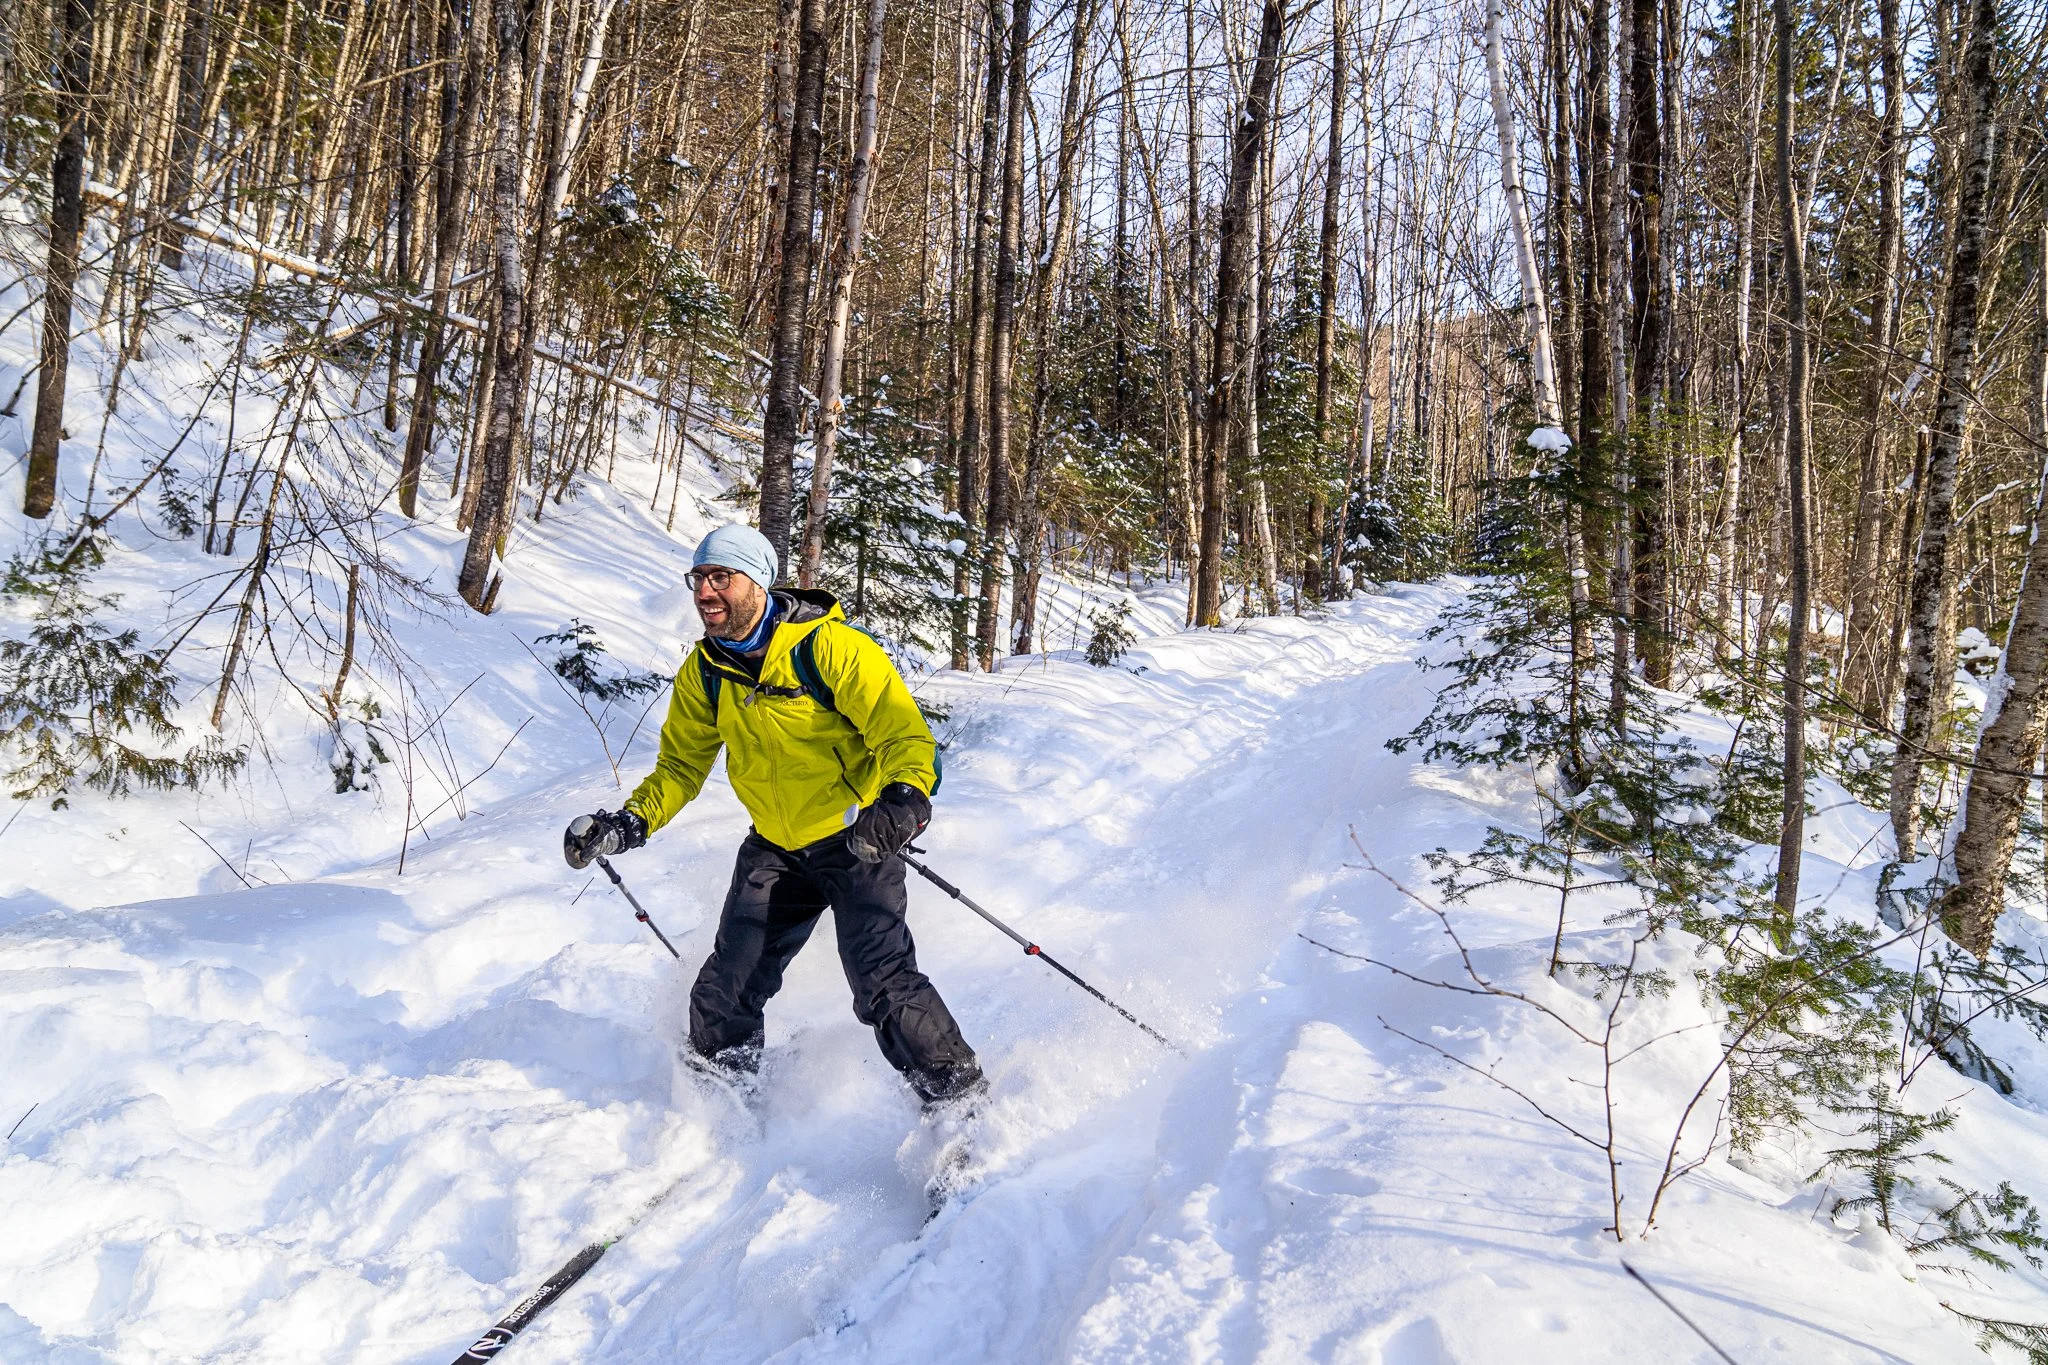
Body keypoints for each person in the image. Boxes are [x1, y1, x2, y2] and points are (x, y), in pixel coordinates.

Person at [562, 523, 984, 1110]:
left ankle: (962, 1107)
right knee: (725, 987)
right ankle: (722, 1105)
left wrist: (904, 800)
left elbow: (903, 736)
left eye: (720, 578)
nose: (705, 593)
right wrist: (626, 824)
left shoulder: (832, 649)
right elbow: (680, 768)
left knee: (881, 982)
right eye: (698, 579)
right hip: (775, 849)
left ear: (756, 582)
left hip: (856, 842)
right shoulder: (705, 672)